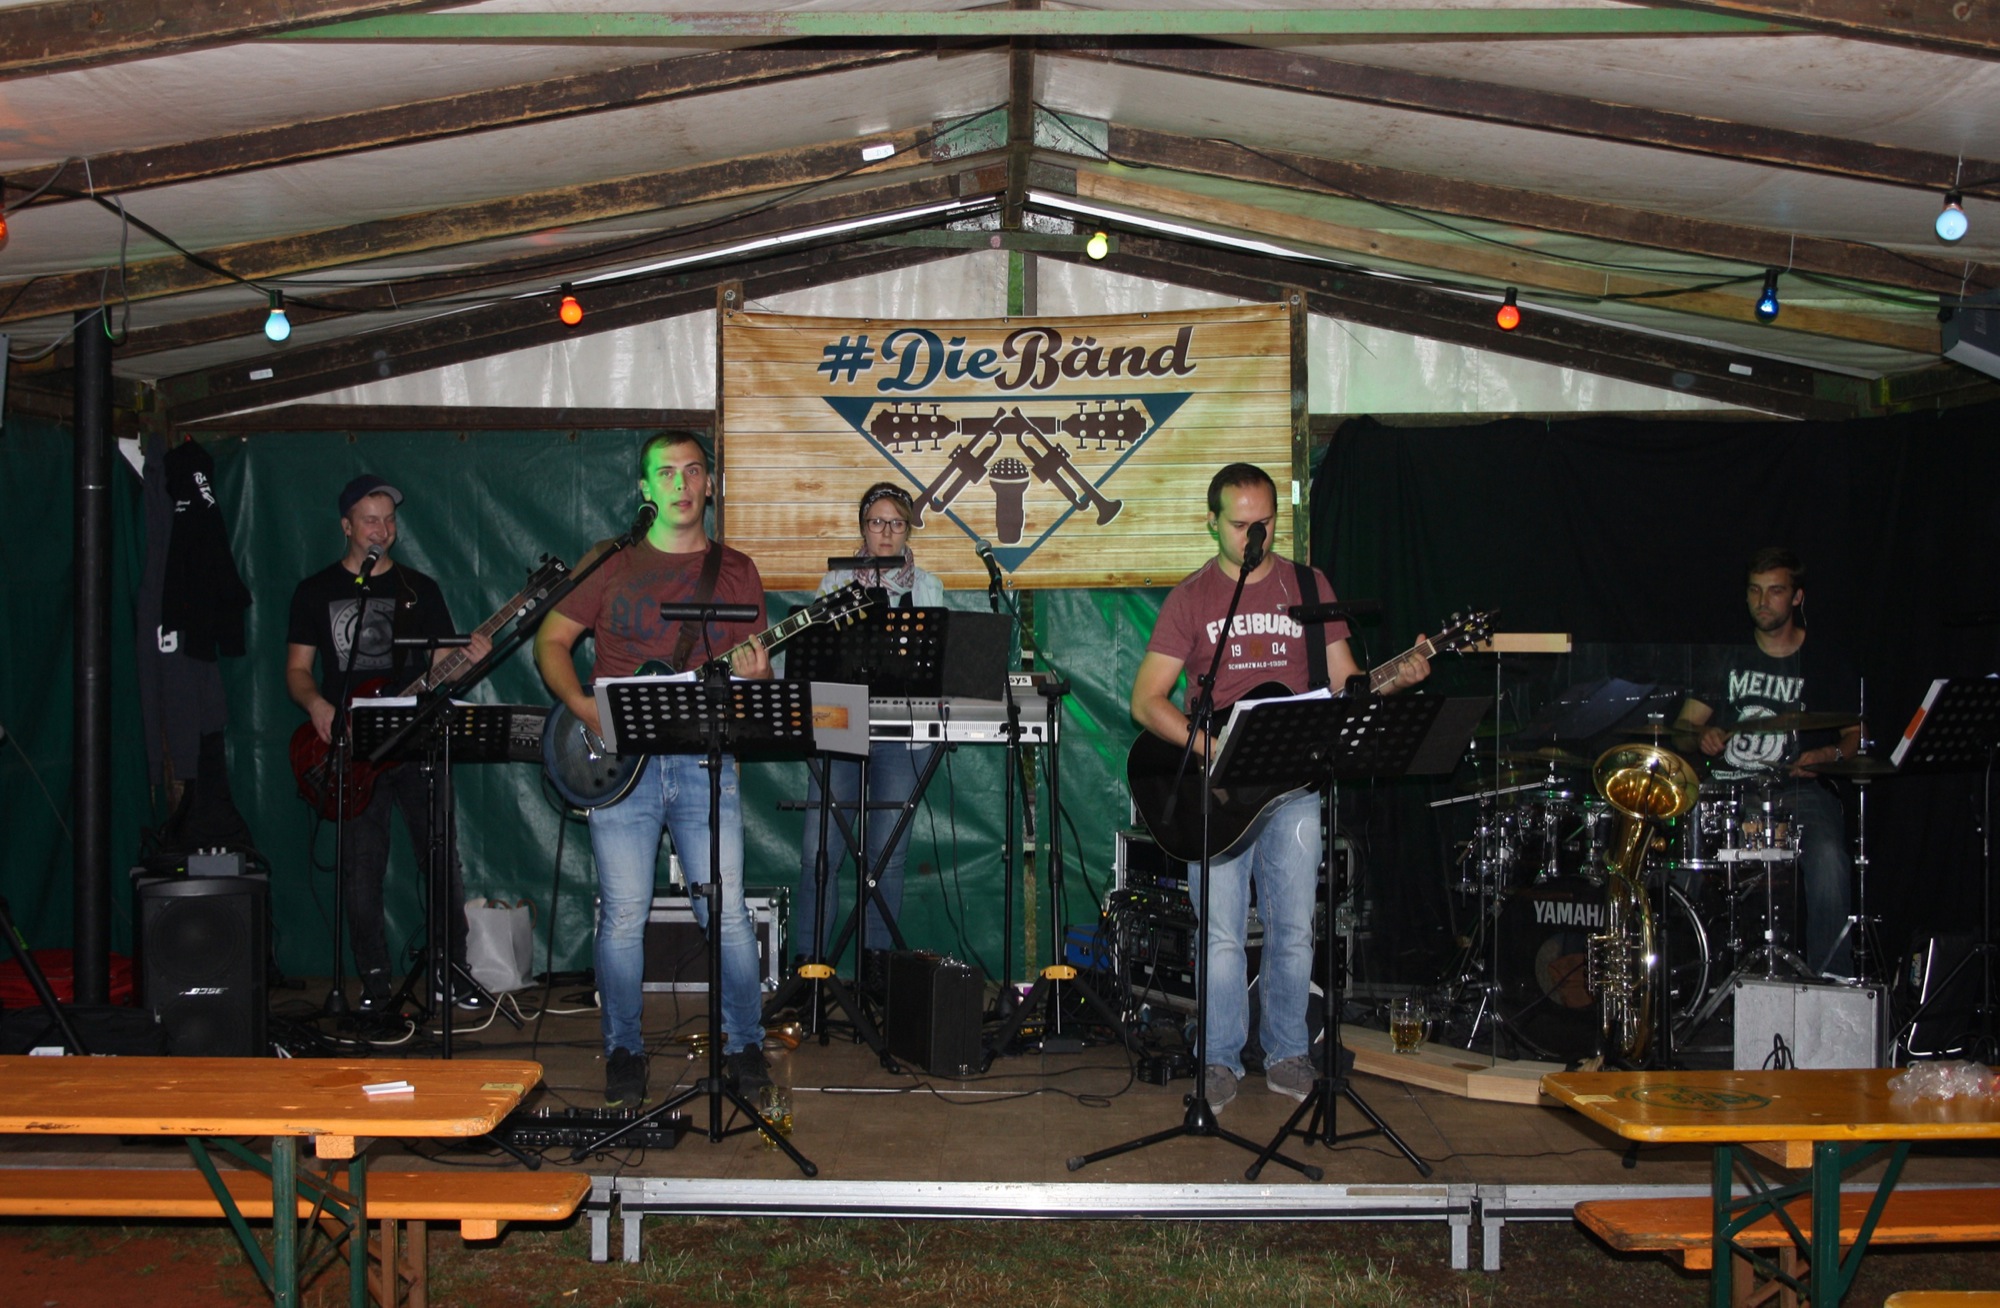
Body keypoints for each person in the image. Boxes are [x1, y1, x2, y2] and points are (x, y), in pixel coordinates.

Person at [1130, 463, 1429, 1112]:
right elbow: (1146, 700)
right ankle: (1217, 1060)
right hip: (1217, 791)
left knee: (1293, 928)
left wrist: (1396, 677)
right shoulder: (1192, 599)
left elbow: (1348, 683)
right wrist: (1211, 748)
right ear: (1213, 524)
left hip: (1294, 785)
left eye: (1263, 523)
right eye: (1240, 525)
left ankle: (1288, 1051)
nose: (1254, 536)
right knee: (1221, 934)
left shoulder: (1308, 585)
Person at [534, 432, 773, 1108]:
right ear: (645, 488)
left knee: (725, 911)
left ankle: (745, 1044)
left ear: (710, 484)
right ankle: (623, 1051)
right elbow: (551, 640)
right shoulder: (610, 561)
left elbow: (753, 675)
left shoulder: (736, 570)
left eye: (693, 471)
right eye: (665, 473)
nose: (681, 483)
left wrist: (760, 676)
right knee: (622, 915)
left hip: (705, 758)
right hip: (617, 766)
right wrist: (582, 705)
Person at [285, 474, 491, 1015]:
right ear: (346, 526)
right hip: (352, 749)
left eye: (389, 520)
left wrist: (468, 659)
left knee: (441, 860)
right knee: (361, 869)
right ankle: (374, 982)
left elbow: (442, 667)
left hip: (416, 742)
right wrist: (318, 705)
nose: (382, 530)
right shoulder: (315, 591)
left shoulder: (419, 589)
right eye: (371, 520)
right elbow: (297, 670)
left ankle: (451, 970)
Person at [1675, 547, 1862, 977]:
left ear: (1797, 597)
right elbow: (1682, 727)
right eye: (1755, 591)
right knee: (1683, 858)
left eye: (1775, 591)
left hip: (1798, 788)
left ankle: (1830, 980)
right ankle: (1686, 975)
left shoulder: (1823, 659)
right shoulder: (1728, 658)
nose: (1762, 601)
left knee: (1829, 858)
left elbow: (1855, 735)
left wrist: (1826, 755)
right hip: (1730, 790)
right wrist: (1699, 735)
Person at [793, 483, 944, 971]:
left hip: (901, 736)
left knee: (887, 857)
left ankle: (877, 969)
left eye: (897, 523)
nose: (886, 532)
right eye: (877, 522)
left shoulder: (929, 587)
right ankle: (810, 965)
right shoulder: (835, 582)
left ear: (908, 531)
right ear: (862, 528)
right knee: (820, 853)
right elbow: (814, 660)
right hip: (839, 726)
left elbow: (937, 665)